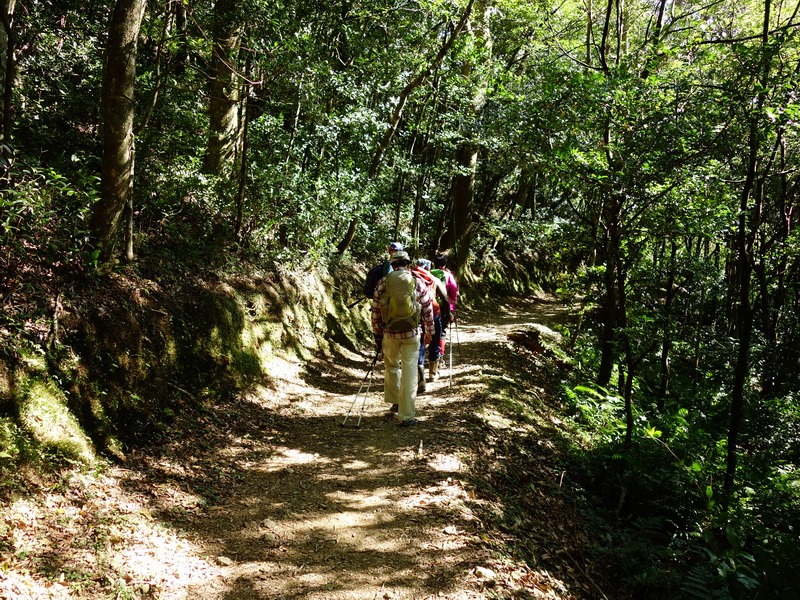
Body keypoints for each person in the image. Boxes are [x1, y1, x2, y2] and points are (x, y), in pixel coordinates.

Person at [371, 250, 435, 426]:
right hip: (412, 334)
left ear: (392, 265)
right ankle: (406, 415)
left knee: (391, 365)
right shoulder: (417, 281)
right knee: (409, 371)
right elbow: (427, 307)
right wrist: (429, 330)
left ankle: (395, 402)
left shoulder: (383, 282)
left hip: (389, 334)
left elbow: (376, 311)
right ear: (407, 263)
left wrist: (378, 334)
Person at [411, 258, 448, 386]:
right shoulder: (433, 279)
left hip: (415, 314)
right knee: (435, 340)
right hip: (434, 312)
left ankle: (420, 376)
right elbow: (445, 298)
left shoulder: (410, 278)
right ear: (428, 268)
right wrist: (449, 313)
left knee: (420, 343)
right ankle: (432, 373)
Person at [430, 254, 458, 367]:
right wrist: (453, 305)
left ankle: (431, 355)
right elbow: (453, 291)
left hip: (430, 306)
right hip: (444, 307)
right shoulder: (448, 275)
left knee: (430, 331)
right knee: (442, 332)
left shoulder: (428, 274)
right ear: (444, 264)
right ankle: (439, 358)